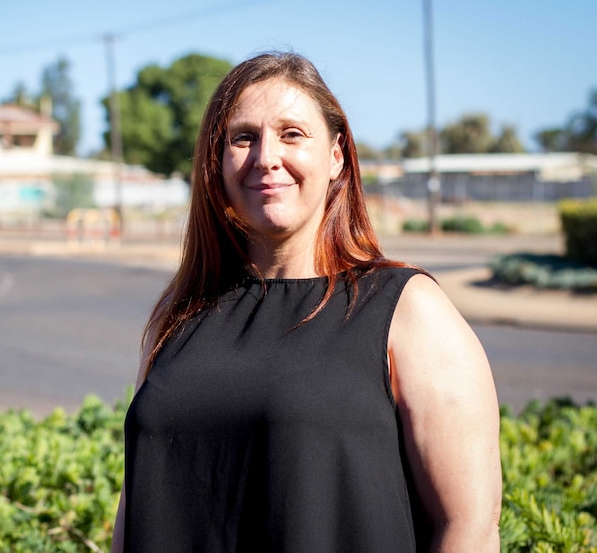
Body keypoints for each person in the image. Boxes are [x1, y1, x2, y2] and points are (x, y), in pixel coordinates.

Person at [111, 51, 501, 552]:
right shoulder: (179, 316)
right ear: (217, 160)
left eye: (291, 134)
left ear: (336, 155)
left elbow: (469, 525)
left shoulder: (406, 309)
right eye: (243, 137)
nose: (266, 157)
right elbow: (137, 511)